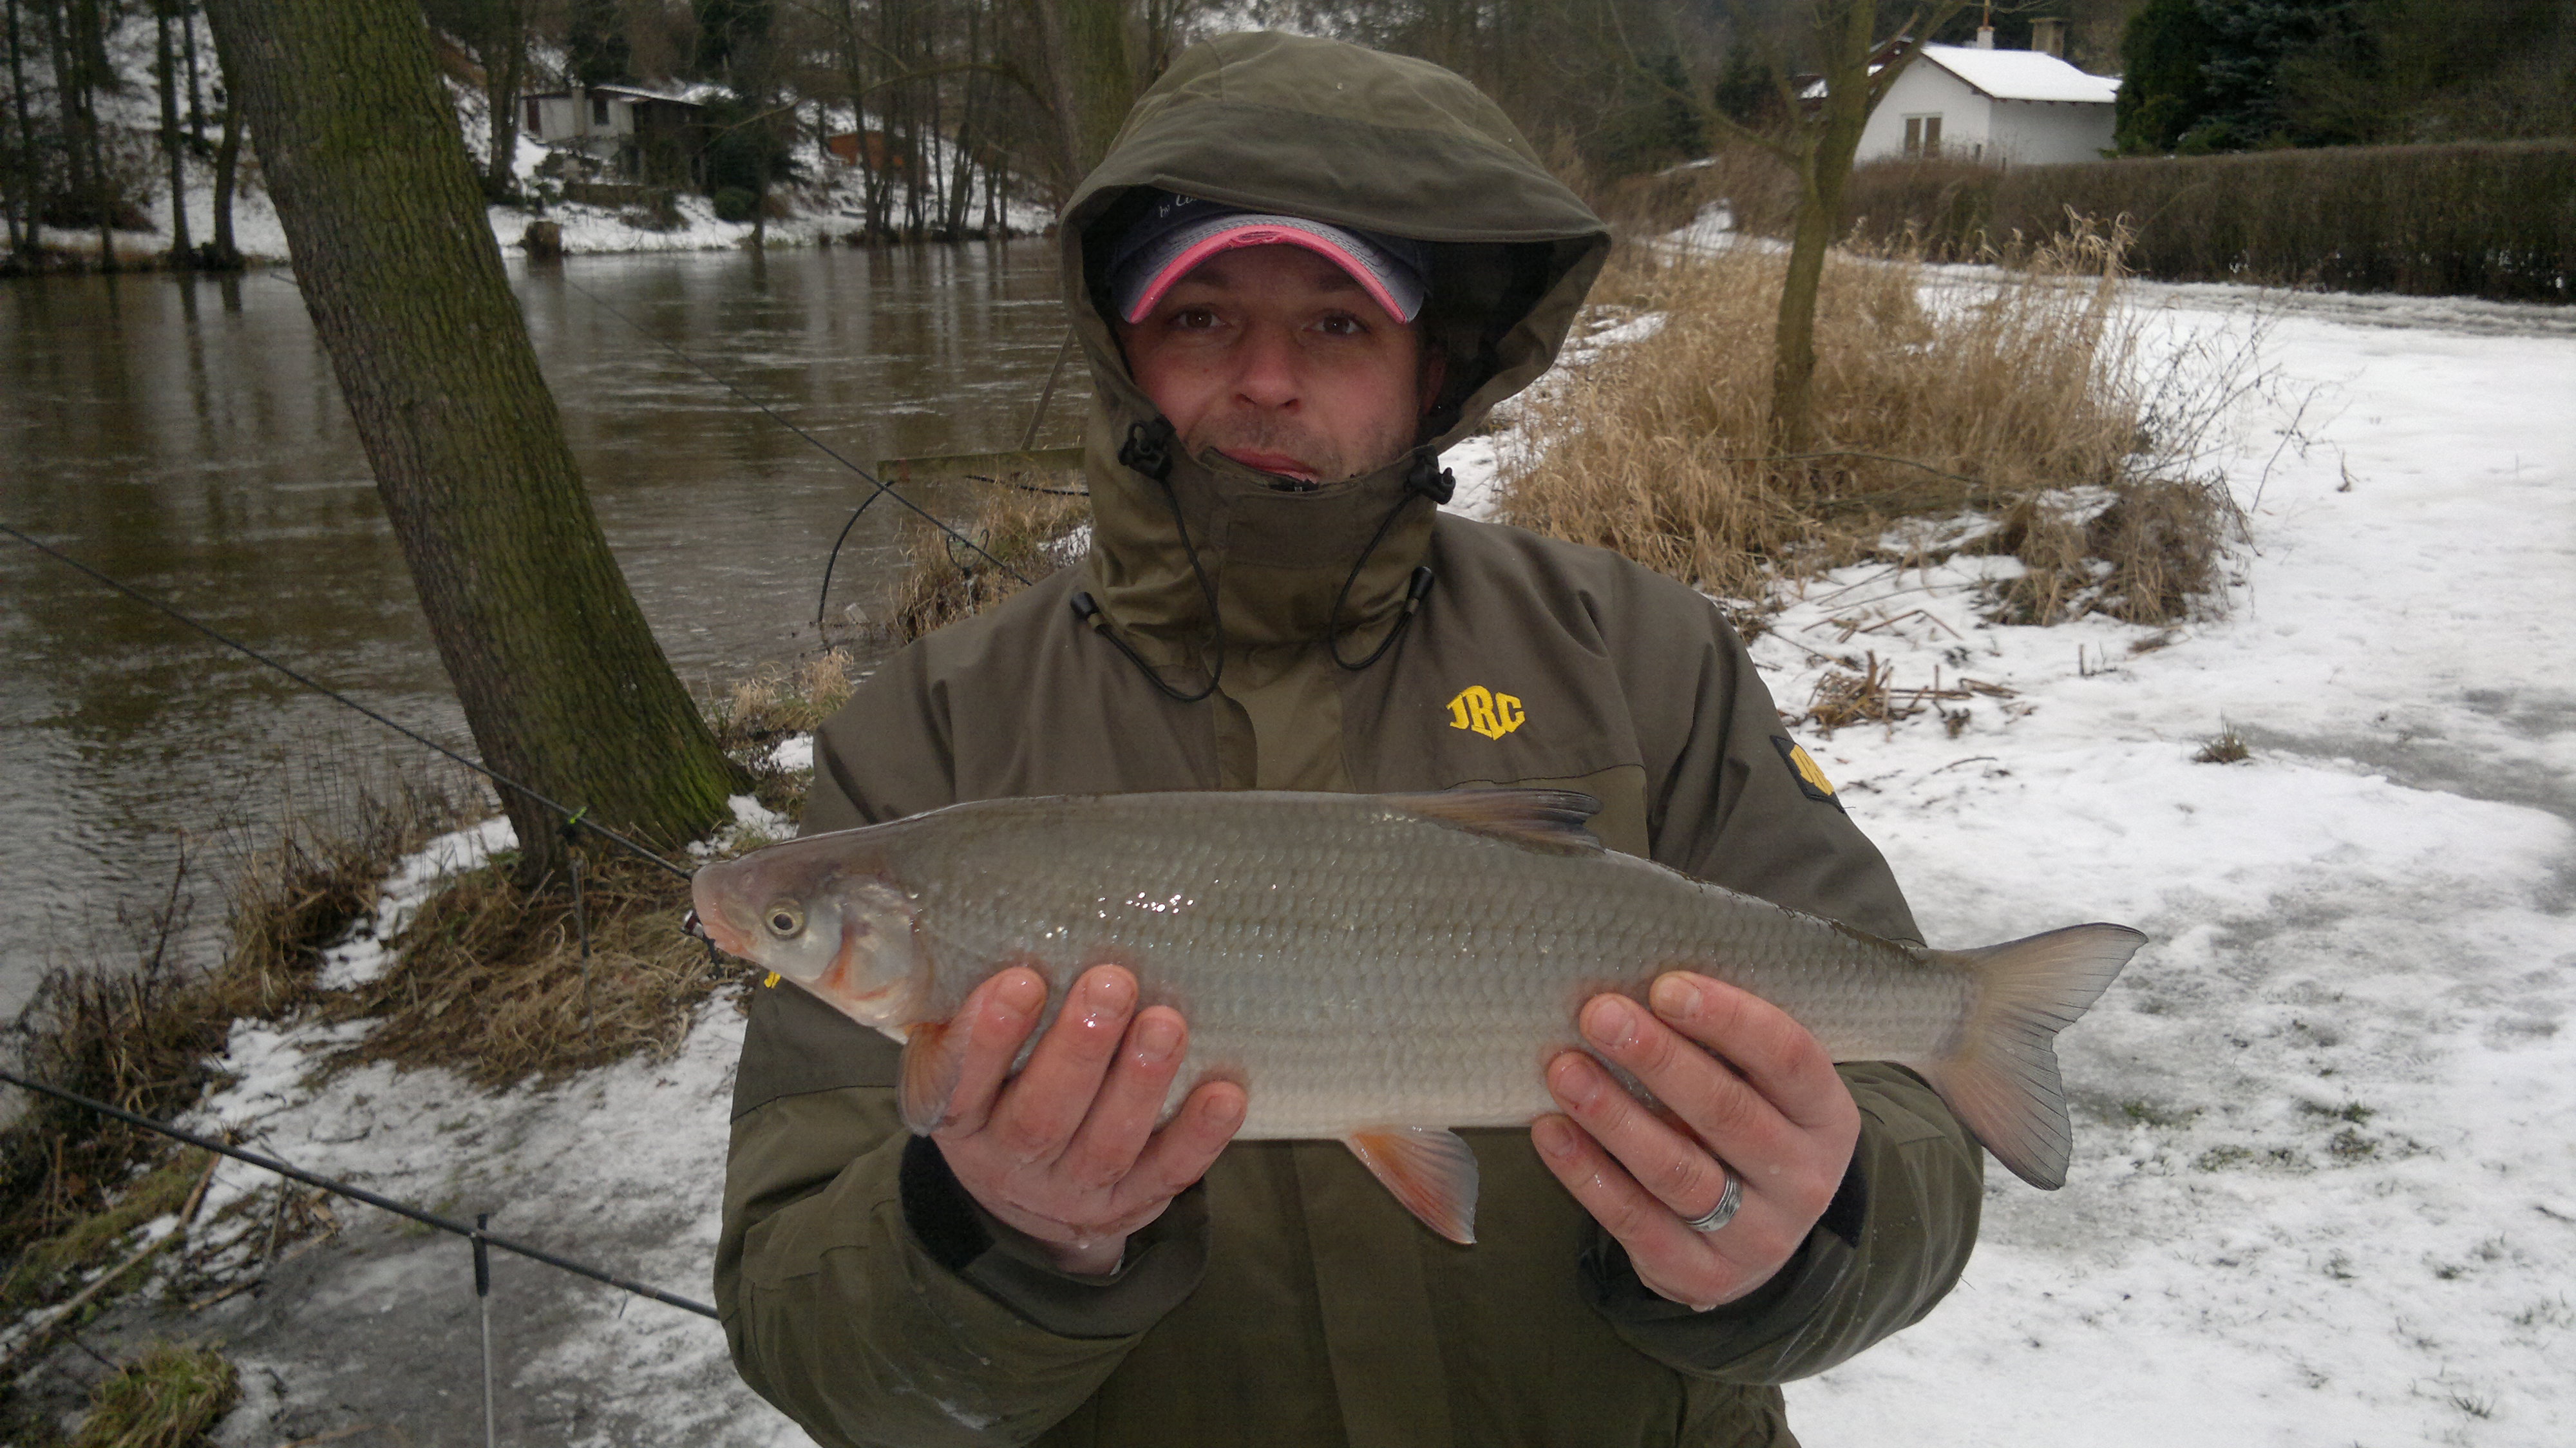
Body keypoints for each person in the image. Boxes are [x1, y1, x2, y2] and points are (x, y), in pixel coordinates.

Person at [718, 31, 1980, 1448]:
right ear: (1121, 347)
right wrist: (995, 1234)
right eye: (1200, 318)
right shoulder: (927, 733)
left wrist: (1815, 1229)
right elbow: (805, 1333)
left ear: (1429, 362)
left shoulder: (1642, 655)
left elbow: (1912, 1137)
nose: (1265, 378)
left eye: (1335, 323)